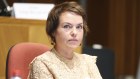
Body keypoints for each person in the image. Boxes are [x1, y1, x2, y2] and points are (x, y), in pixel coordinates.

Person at [27, 1, 102, 79]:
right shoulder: (42, 63)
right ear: (53, 31)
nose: (74, 32)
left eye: (79, 27)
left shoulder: (88, 62)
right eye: (67, 26)